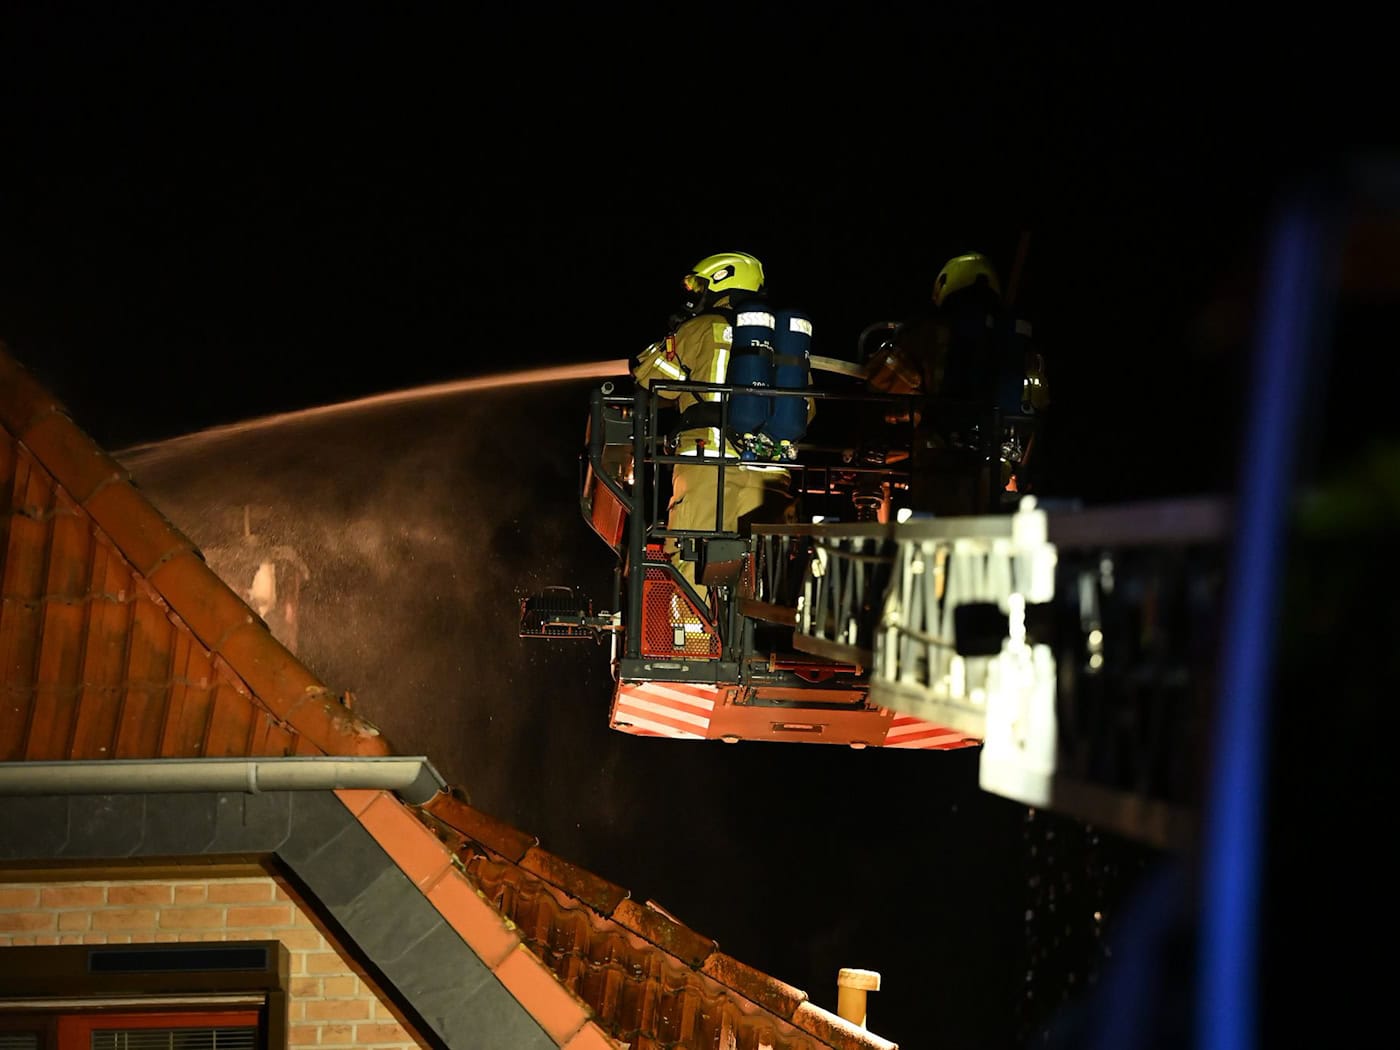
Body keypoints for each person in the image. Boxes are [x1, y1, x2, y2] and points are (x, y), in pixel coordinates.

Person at [632, 251, 807, 599]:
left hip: (707, 471)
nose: (695, 297)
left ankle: (693, 649)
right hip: (773, 477)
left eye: (699, 288)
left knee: (693, 567)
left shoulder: (701, 327)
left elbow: (650, 378)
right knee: (764, 577)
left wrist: (672, 336)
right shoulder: (783, 342)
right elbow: (808, 406)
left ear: (721, 281)